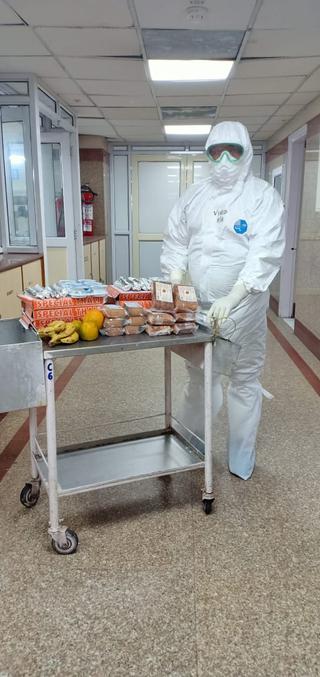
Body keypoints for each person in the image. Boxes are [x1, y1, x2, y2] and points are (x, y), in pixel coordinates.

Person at [160, 121, 285, 480]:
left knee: (244, 381)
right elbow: (176, 242)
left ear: (246, 153)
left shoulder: (262, 197)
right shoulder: (193, 196)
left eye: (234, 151)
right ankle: (190, 445)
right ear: (207, 155)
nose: (225, 160)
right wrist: (175, 279)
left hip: (243, 310)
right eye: (217, 152)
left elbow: (265, 252)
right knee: (199, 378)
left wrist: (234, 296)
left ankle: (240, 460)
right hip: (198, 308)